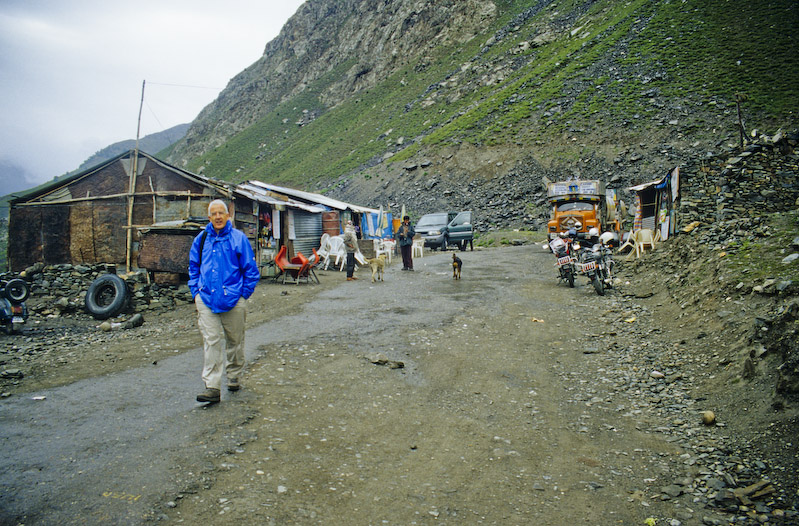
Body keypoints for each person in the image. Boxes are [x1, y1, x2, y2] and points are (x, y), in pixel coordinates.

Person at [188, 199, 260, 403]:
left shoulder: (239, 239)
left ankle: (234, 375)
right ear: (208, 217)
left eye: (222, 213)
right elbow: (193, 267)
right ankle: (212, 386)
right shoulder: (201, 240)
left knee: (235, 341)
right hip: (206, 298)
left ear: (228, 216)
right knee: (211, 341)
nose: (218, 217)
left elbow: (251, 271)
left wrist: (243, 295)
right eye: (214, 213)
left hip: (234, 299)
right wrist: (196, 293)